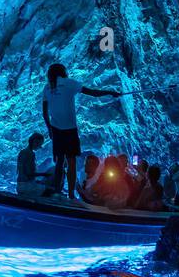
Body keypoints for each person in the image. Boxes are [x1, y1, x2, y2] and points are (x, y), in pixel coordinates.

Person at [41, 64, 122, 198]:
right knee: (71, 161)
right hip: (70, 129)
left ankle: (57, 191)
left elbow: (44, 112)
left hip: (56, 129)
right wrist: (110, 92)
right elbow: (93, 93)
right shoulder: (70, 83)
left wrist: (49, 128)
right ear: (63, 72)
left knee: (60, 161)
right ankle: (71, 194)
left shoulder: (47, 87)